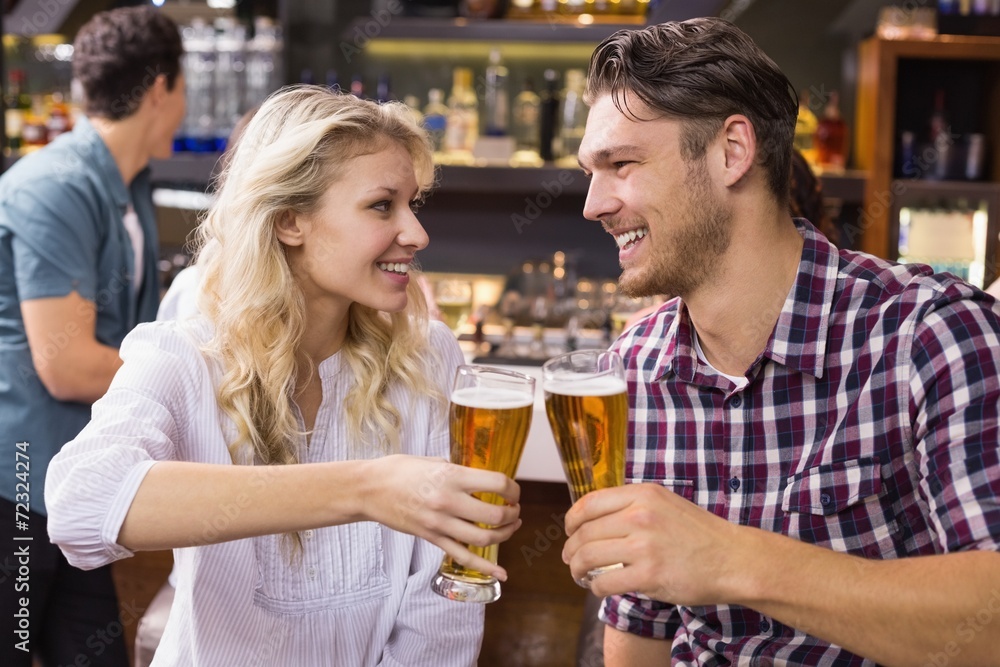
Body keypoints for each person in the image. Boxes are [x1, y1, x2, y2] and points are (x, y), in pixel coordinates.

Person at [563, 18, 1000, 666]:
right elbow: (638, 646)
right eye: (591, 172)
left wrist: (729, 558)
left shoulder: (929, 335)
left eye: (622, 163)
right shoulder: (629, 372)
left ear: (732, 150)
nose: (593, 203)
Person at [45, 86, 521, 665]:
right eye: (381, 205)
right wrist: (367, 490)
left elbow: (443, 608)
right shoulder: (185, 355)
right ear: (291, 220)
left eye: (413, 204)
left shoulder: (429, 357)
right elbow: (80, 505)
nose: (417, 234)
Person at [0, 7, 184, 666]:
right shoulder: (55, 185)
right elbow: (69, 366)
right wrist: (192, 376)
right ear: (162, 87)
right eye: (184, 88)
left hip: (73, 486)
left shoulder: (129, 186)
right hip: (16, 495)